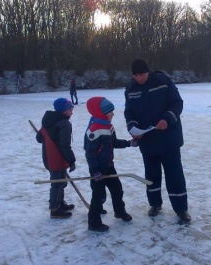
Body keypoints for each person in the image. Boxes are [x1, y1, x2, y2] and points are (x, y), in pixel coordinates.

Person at [124, 58, 191, 223]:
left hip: (169, 139)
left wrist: (167, 119)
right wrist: (133, 128)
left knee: (174, 176)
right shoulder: (130, 89)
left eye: (142, 74)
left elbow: (177, 103)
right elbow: (129, 113)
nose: (139, 78)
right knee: (151, 175)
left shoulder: (163, 81)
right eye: (136, 75)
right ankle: (155, 204)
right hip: (147, 141)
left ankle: (181, 209)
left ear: (148, 71)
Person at [84, 96, 137, 232]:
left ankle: (119, 211)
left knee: (117, 190)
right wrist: (95, 171)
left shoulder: (109, 127)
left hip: (109, 166)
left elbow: (114, 143)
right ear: (101, 113)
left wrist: (128, 143)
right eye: (110, 111)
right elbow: (90, 153)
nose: (112, 114)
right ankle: (93, 222)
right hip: (98, 169)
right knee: (99, 196)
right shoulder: (94, 130)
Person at [36, 98, 76, 219]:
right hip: (57, 158)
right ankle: (55, 209)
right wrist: (71, 160)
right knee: (58, 183)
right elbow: (65, 145)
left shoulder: (49, 121)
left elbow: (39, 138)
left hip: (49, 157)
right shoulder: (64, 124)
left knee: (60, 181)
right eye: (70, 110)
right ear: (63, 111)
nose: (72, 112)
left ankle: (60, 203)